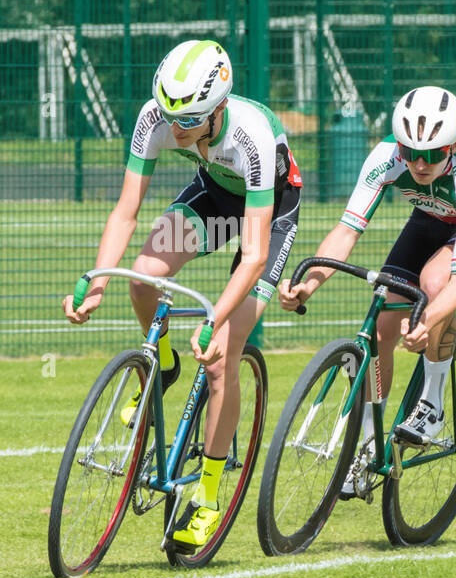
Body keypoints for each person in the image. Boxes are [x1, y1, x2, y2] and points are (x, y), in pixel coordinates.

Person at [63, 39, 302, 549]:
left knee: (222, 357)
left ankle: (210, 496)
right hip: (215, 198)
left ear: (217, 111)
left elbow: (255, 254)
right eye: (171, 118)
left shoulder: (252, 136)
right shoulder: (158, 117)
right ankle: (165, 366)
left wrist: (215, 317)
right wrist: (97, 279)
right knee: (145, 272)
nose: (176, 130)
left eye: (189, 122)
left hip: (269, 216)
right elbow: (127, 210)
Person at [278, 86, 456, 497]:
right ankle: (369, 445)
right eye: (411, 154)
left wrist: (429, 321)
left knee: (434, 283)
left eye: (433, 155)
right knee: (379, 330)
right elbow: (346, 230)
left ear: (454, 147)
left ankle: (432, 402)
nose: (420, 164)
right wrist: (309, 283)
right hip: (429, 217)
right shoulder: (385, 157)